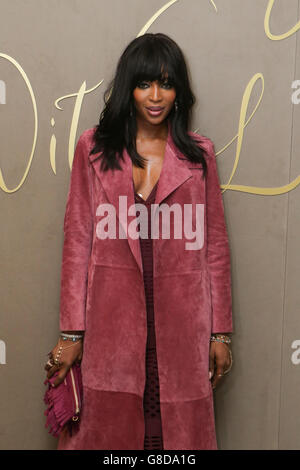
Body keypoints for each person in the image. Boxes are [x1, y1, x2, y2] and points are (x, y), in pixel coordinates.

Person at [44, 32, 233, 450]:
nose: (155, 95)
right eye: (145, 83)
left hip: (183, 324)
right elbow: (77, 241)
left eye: (166, 84)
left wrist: (220, 333)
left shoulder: (200, 156)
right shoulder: (92, 149)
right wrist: (72, 334)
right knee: (109, 433)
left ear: (179, 91)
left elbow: (215, 248)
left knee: (174, 438)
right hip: (112, 323)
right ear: (128, 88)